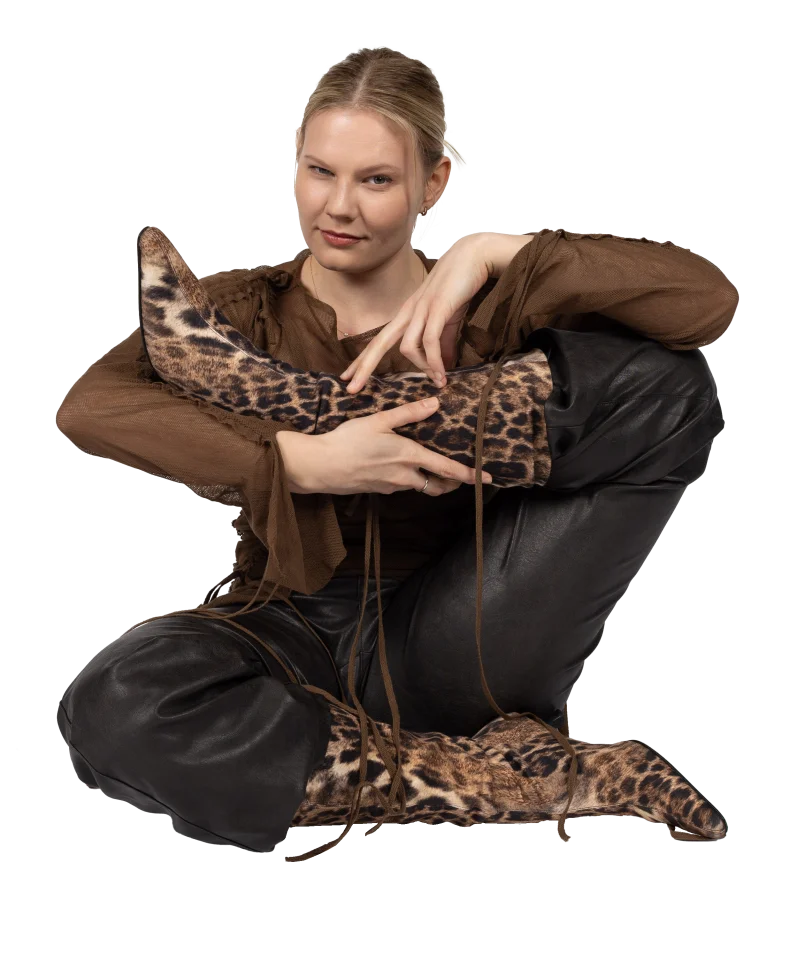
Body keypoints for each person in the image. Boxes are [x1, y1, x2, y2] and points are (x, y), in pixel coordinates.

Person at [56, 49, 737, 859]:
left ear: (432, 183)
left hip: (470, 629)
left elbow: (705, 304)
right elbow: (91, 408)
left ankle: (358, 411)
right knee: (114, 705)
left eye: (376, 180)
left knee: (670, 385)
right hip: (281, 626)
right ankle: (506, 782)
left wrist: (497, 252)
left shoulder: (492, 306)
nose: (338, 206)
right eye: (320, 171)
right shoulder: (244, 310)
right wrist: (298, 461)